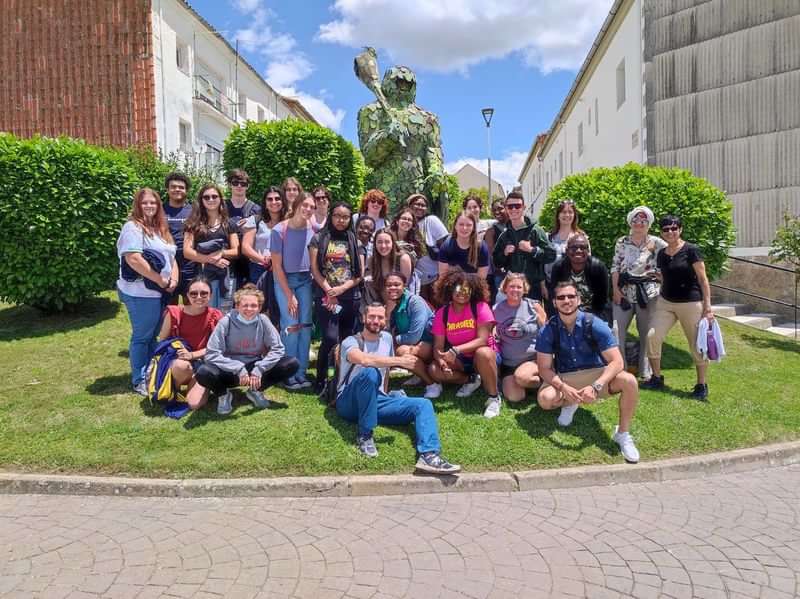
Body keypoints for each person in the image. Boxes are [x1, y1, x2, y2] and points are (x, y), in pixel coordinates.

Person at [334, 302, 460, 474]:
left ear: (385, 320)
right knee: (370, 373)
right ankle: (365, 436)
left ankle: (429, 455)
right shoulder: (351, 341)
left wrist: (387, 395)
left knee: (423, 405)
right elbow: (364, 360)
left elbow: (385, 372)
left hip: (376, 400)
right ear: (363, 318)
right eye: (371, 316)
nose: (375, 321)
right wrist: (400, 361)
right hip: (348, 403)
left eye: (380, 317)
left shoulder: (386, 339)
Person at [536, 281, 641, 463]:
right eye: (561, 297)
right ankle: (569, 402)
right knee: (545, 400)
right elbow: (544, 368)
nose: (566, 300)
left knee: (629, 381)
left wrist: (596, 386)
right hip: (565, 376)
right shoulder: (548, 329)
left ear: (579, 300)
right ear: (554, 303)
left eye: (571, 296)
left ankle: (622, 434)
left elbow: (617, 362)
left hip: (597, 374)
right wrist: (563, 387)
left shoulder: (594, 323)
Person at [196, 285, 299, 415]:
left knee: (292, 363)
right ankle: (223, 395)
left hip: (253, 369)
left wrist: (260, 368)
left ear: (260, 307)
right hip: (230, 370)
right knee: (203, 372)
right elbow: (211, 353)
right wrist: (237, 368)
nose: (249, 309)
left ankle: (255, 390)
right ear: (237, 306)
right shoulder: (225, 322)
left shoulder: (263, 320)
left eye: (254, 305)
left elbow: (278, 348)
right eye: (245, 305)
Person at [643, 215, 715, 400]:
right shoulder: (662, 254)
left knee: (696, 344)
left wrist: (707, 307)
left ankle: (701, 385)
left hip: (690, 303)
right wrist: (656, 278)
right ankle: (657, 378)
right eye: (666, 229)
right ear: (661, 232)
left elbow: (703, 279)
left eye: (674, 228)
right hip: (666, 302)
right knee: (653, 336)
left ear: (680, 229)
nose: (670, 232)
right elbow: (666, 277)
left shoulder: (691, 250)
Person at [116, 188, 178, 395]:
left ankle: (151, 373)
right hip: (141, 292)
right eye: (145, 203)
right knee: (142, 337)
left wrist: (173, 279)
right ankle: (139, 379)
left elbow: (172, 257)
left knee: (153, 336)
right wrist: (159, 279)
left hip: (161, 292)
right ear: (137, 205)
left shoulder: (160, 228)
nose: (149, 206)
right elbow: (133, 258)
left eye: (153, 202)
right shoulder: (132, 228)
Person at [427, 270, 502, 419]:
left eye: (467, 289)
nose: (462, 292)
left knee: (483, 353)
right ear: (450, 289)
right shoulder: (443, 313)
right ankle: (472, 380)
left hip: (484, 357)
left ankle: (494, 398)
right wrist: (442, 361)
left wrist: (455, 350)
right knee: (434, 369)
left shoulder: (480, 307)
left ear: (473, 291)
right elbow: (438, 347)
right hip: (461, 359)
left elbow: (483, 340)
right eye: (458, 288)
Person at [309, 200, 363, 392]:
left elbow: (359, 274)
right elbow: (314, 269)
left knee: (348, 341)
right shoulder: (319, 238)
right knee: (331, 339)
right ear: (331, 216)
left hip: (350, 298)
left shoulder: (355, 241)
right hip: (326, 297)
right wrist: (329, 290)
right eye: (337, 216)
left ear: (350, 219)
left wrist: (341, 290)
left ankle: (342, 378)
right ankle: (322, 378)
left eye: (345, 217)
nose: (341, 220)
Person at [610, 206, 666, 379]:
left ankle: (645, 370)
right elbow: (615, 266)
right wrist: (616, 290)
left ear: (648, 224)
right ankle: (620, 368)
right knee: (616, 330)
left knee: (646, 333)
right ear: (630, 222)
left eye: (643, 221)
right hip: (625, 292)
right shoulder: (622, 241)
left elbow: (672, 256)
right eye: (635, 220)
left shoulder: (657, 243)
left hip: (648, 293)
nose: (639, 224)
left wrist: (661, 277)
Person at [271, 191, 317, 389]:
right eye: (304, 205)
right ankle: (287, 372)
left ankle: (301, 371)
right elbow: (276, 267)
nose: (308, 209)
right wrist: (289, 295)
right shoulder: (279, 230)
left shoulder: (313, 229)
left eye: (312, 207)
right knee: (291, 326)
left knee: (305, 325)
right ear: (296, 204)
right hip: (284, 280)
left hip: (306, 280)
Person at [157, 276, 223, 410]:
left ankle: (194, 384)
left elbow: (219, 348)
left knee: (194, 404)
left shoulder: (216, 315)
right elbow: (162, 342)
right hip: (179, 361)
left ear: (210, 295)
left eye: (204, 293)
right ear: (187, 295)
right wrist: (179, 351)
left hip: (203, 363)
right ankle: (176, 388)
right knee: (181, 366)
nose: (199, 297)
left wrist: (192, 355)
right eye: (194, 293)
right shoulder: (174, 312)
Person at [182, 184, 239, 309]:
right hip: (203, 277)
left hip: (227, 276)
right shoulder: (192, 224)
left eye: (214, 196)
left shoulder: (229, 223)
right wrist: (211, 259)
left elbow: (236, 251)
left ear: (220, 199)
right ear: (201, 201)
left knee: (225, 313)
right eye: (206, 197)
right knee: (206, 311)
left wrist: (221, 254)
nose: (211, 200)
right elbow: (187, 252)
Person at [492, 191, 555, 301]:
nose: (514, 210)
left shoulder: (536, 231)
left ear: (524, 207)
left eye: (517, 206)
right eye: (510, 207)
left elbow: (551, 255)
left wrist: (532, 250)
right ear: (506, 209)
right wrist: (504, 253)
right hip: (512, 289)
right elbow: (496, 262)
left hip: (533, 289)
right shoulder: (504, 235)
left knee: (534, 318)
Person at [494, 273, 547, 403]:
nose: (515, 290)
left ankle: (547, 382)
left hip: (532, 359)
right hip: (509, 363)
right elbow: (492, 330)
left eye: (519, 287)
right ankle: (528, 385)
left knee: (522, 377)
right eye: (512, 286)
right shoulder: (496, 309)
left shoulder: (534, 306)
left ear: (525, 289)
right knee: (515, 397)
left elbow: (547, 332)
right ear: (505, 288)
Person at [383, 272, 438, 396]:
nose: (392, 288)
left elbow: (414, 336)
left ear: (404, 286)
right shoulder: (394, 305)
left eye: (397, 284)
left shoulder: (415, 302)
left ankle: (433, 384)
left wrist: (393, 340)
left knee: (401, 351)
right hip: (415, 344)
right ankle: (418, 374)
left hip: (431, 345)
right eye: (389, 285)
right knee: (391, 348)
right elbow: (387, 332)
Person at [241, 185, 286, 326]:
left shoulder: (289, 221)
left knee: (280, 306)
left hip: (283, 269)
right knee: (259, 306)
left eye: (277, 198)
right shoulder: (256, 220)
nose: (274, 202)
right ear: (265, 203)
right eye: (270, 199)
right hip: (259, 268)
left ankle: (279, 342)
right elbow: (245, 247)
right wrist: (264, 260)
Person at [549, 234, 609, 319]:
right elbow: (555, 296)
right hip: (566, 312)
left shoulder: (598, 268)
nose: (578, 251)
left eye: (583, 247)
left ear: (588, 251)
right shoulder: (559, 268)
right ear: (567, 250)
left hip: (593, 313)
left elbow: (602, 300)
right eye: (574, 248)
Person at [407, 193, 449, 302]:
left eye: (423, 205)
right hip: (417, 280)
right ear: (409, 206)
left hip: (435, 276)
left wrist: (443, 275)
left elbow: (446, 245)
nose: (420, 207)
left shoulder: (431, 220)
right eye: (417, 204)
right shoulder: (407, 223)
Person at [225, 169, 261, 290]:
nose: (239, 186)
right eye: (235, 183)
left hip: (249, 262)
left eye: (243, 184)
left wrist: (255, 218)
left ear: (248, 186)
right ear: (230, 184)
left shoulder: (256, 209)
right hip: (227, 258)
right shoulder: (221, 207)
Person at [545, 199, 588, 297]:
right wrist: (543, 285)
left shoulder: (582, 237)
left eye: (570, 212)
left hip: (575, 287)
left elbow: (587, 263)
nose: (567, 215)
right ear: (558, 215)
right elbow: (541, 263)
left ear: (574, 215)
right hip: (551, 286)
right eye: (564, 212)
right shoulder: (548, 238)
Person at [162, 172, 193, 304]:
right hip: (167, 265)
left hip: (190, 266)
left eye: (181, 187)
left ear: (186, 190)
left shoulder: (194, 210)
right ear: (167, 190)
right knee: (170, 308)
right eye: (173, 187)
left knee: (191, 305)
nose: (177, 190)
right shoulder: (159, 210)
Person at [365, 229, 413, 304]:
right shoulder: (372, 261)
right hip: (380, 302)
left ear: (393, 243)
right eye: (379, 242)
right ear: (375, 244)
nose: (383, 246)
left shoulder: (403, 259)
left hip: (401, 303)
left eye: (387, 242)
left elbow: (405, 287)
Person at [438, 211, 489, 278]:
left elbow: (482, 277)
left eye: (469, 225)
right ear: (455, 226)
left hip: (474, 286)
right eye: (461, 224)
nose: (464, 228)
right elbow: (443, 275)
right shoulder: (446, 246)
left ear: (473, 228)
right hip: (451, 286)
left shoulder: (481, 247)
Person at [389, 207, 422, 294]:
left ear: (412, 224)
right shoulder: (388, 237)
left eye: (409, 220)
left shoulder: (414, 243)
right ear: (397, 221)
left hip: (408, 282)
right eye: (404, 218)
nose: (406, 221)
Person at [486, 198, 508, 303]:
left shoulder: (516, 226)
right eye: (494, 210)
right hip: (501, 274)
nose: (497, 212)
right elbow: (492, 254)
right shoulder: (492, 231)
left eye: (500, 208)